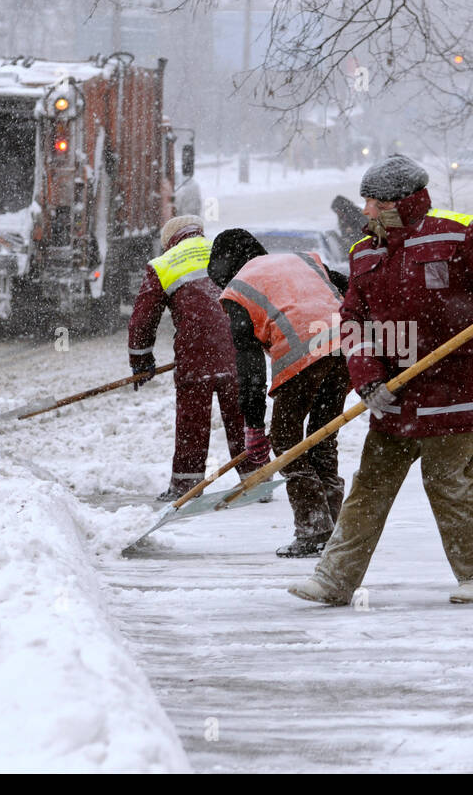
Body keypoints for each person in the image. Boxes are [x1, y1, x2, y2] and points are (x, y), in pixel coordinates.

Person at [289, 154, 473, 606]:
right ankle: (334, 579)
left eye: (374, 202)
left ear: (403, 202)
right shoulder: (365, 252)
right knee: (370, 486)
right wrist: (366, 380)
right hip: (394, 395)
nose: (365, 211)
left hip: (455, 388)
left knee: (448, 483)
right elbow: (354, 324)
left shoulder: (458, 232)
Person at [208, 229, 352, 557]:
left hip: (303, 352)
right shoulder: (302, 259)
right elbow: (349, 286)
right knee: (322, 438)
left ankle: (315, 529)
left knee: (286, 441)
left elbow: (251, 369)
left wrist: (255, 427)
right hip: (345, 346)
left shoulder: (238, 290)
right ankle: (335, 527)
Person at [128, 215, 248, 501]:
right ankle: (256, 476)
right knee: (242, 416)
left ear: (170, 241)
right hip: (239, 350)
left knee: (192, 423)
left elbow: (143, 320)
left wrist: (141, 360)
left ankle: (186, 486)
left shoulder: (163, 264)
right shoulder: (224, 251)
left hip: (197, 356)